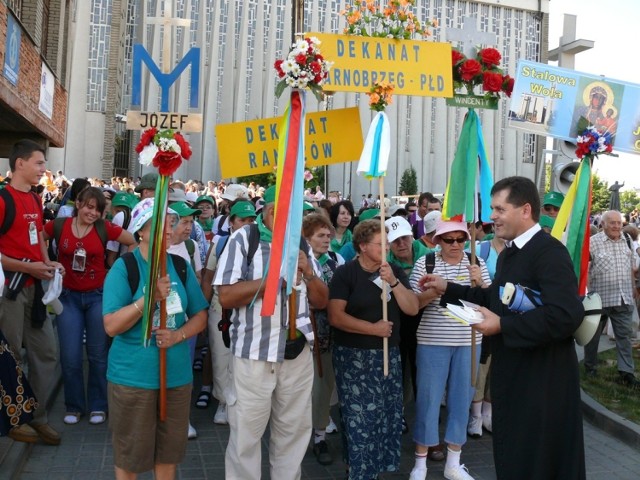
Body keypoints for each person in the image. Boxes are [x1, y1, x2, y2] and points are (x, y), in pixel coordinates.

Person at [421, 176, 586, 479]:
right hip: (515, 376)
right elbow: (495, 299)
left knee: (536, 461)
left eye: (499, 209)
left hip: (543, 383)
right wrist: (448, 289)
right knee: (514, 456)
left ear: (525, 210)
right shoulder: (511, 252)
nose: (491, 217)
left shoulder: (549, 252)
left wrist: (504, 327)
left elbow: (565, 315)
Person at [213, 186, 329, 480]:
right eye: (280, 207)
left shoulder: (301, 244)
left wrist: (309, 272)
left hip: (296, 355)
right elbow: (225, 295)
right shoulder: (245, 238)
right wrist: (271, 280)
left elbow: (321, 300)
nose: (286, 215)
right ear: (266, 208)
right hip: (254, 355)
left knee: (293, 434)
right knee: (246, 438)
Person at [103, 198, 208, 479]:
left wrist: (178, 335)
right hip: (133, 379)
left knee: (168, 455)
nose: (170, 230)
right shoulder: (125, 268)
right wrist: (148, 300)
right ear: (141, 231)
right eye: (163, 224)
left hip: (175, 378)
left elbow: (200, 315)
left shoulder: (179, 266)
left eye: (172, 224)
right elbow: (111, 326)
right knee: (131, 457)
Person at [328, 219, 419, 480]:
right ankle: (359, 471)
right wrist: (373, 329)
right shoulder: (346, 274)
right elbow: (336, 316)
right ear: (363, 246)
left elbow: (412, 308)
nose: (387, 249)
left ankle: (371, 469)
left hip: (389, 356)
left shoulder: (392, 272)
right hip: (354, 358)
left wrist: (394, 282)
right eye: (380, 244)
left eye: (387, 244)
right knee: (359, 418)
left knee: (385, 416)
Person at [43, 187, 134, 426]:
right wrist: (48, 261)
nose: (91, 212)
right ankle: (74, 405)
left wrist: (117, 272)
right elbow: (39, 238)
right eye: (88, 206)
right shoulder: (60, 225)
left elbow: (133, 242)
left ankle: (98, 405)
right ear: (79, 204)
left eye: (97, 209)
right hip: (67, 297)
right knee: (70, 356)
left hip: (97, 297)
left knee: (97, 355)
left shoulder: (105, 228)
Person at [408, 219, 490, 480]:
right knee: (428, 401)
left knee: (461, 401)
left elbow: (490, 303)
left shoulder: (477, 263)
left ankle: (453, 463)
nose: (455, 244)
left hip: (470, 342)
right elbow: (413, 305)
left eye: (460, 239)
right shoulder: (426, 263)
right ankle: (419, 464)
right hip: (433, 341)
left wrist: (482, 285)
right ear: (437, 241)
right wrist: (433, 291)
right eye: (449, 239)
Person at [0, 139, 65, 445]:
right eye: (39, 163)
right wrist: (29, 267)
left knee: (47, 353)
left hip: (35, 289)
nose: (44, 169)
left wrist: (46, 261)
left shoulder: (36, 199)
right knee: (10, 356)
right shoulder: (2, 199)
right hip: (9, 292)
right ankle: (13, 419)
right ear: (20, 164)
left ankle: (35, 417)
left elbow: (38, 233)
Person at [200, 199, 257, 426]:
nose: (247, 225)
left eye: (251, 220)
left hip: (248, 310)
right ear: (231, 221)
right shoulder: (221, 243)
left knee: (242, 358)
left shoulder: (260, 244)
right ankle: (223, 402)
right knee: (221, 356)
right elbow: (207, 278)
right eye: (242, 220)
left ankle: (242, 403)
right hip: (219, 309)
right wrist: (202, 311)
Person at [302, 213, 343, 466]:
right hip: (301, 334)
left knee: (323, 386)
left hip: (327, 334)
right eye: (321, 235)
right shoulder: (297, 261)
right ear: (307, 238)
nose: (327, 238)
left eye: (328, 234)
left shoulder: (337, 261)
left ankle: (319, 437)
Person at [584, 210, 640, 386]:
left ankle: (626, 373)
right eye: (612, 223)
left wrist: (633, 288)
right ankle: (590, 366)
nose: (617, 226)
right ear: (603, 224)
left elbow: (630, 268)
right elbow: (584, 269)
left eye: (619, 222)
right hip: (600, 300)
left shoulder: (628, 241)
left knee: (624, 336)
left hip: (623, 299)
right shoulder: (593, 243)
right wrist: (587, 293)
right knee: (592, 336)